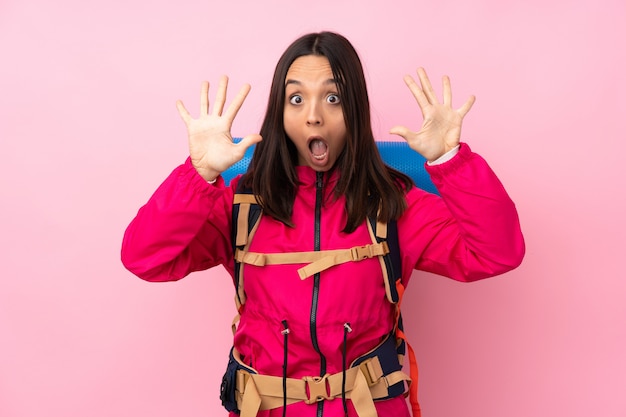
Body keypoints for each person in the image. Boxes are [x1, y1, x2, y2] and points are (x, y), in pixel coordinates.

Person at [121, 31, 525, 417]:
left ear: (355, 110)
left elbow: (497, 253)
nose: (313, 117)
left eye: (332, 97)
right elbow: (144, 258)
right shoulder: (240, 208)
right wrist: (199, 174)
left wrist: (449, 162)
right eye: (296, 98)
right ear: (278, 113)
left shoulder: (394, 206)